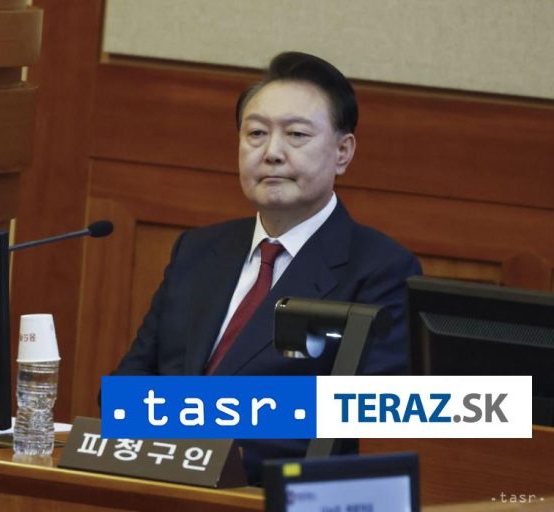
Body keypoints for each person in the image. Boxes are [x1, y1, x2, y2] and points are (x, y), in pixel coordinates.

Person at [112, 51, 422, 484]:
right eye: (256, 133)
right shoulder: (197, 250)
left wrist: (194, 441)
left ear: (342, 152)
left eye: (296, 135)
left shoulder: (382, 271)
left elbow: (354, 425)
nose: (272, 152)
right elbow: (129, 388)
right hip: (160, 484)